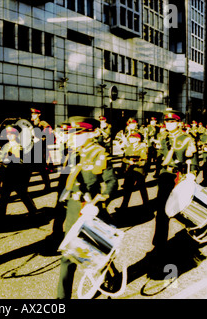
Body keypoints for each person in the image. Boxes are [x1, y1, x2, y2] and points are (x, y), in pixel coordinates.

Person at [56, 116, 118, 299]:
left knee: (97, 251)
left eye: (78, 134)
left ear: (90, 134)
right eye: (72, 134)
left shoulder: (99, 153)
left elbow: (111, 181)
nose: (73, 137)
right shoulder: (72, 154)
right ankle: (61, 299)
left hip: (92, 210)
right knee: (68, 256)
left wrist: (103, 198)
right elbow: (66, 183)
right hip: (74, 209)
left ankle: (110, 275)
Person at [150, 110, 198, 257]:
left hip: (181, 175)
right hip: (166, 174)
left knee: (182, 208)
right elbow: (160, 157)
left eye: (172, 122)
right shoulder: (163, 138)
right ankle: (159, 243)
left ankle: (194, 231)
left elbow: (193, 161)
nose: (169, 124)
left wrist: (192, 175)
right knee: (162, 209)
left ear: (178, 123)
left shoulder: (187, 138)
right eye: (167, 122)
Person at [0, 125, 37, 218]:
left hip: (17, 173)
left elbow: (19, 160)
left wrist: (11, 156)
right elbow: (2, 162)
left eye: (12, 134)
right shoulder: (5, 146)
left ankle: (32, 210)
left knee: (22, 194)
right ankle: (0, 215)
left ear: (16, 135)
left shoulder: (20, 146)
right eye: (8, 134)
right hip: (7, 173)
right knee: (4, 195)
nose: (9, 135)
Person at [115, 132, 149, 212]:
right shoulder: (128, 147)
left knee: (142, 188)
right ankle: (123, 207)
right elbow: (123, 158)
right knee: (127, 189)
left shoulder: (142, 148)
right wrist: (127, 161)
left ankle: (146, 205)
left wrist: (134, 163)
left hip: (139, 171)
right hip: (130, 170)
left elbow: (144, 161)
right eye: (130, 137)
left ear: (138, 139)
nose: (130, 139)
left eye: (133, 137)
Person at [29, 107, 54, 191]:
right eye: (32, 114)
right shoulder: (29, 123)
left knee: (42, 169)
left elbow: (49, 137)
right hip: (30, 148)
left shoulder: (43, 124)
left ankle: (47, 185)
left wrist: (40, 139)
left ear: (39, 115)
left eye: (35, 114)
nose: (33, 115)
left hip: (40, 149)